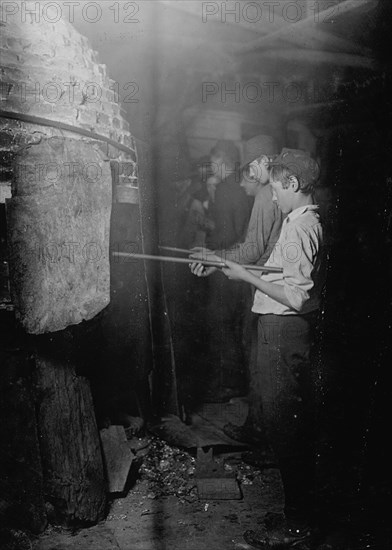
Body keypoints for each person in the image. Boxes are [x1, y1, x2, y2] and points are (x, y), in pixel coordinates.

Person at [190, 149, 326, 548]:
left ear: (292, 184)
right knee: (284, 424)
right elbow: (280, 272)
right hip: (281, 330)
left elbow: (296, 297)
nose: (271, 197)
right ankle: (296, 512)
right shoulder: (301, 221)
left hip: (283, 331)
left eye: (276, 189)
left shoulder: (300, 226)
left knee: (286, 428)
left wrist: (245, 275)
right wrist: (231, 269)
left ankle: (299, 522)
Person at [193, 135, 284, 442]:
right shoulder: (276, 192)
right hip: (268, 286)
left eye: (250, 167)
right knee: (259, 360)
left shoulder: (265, 194)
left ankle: (260, 435)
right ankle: (258, 429)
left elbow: (251, 248)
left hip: (267, 289)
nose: (246, 175)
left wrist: (215, 258)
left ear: (262, 163)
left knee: (259, 360)